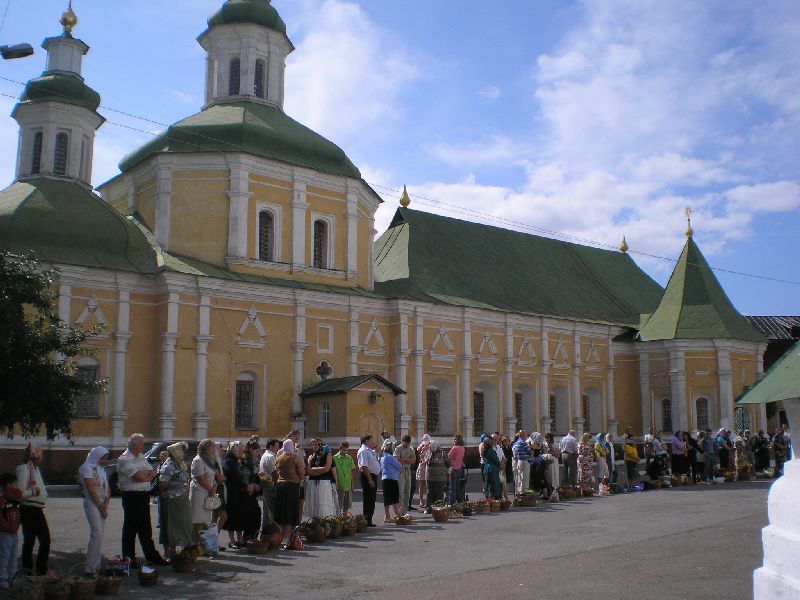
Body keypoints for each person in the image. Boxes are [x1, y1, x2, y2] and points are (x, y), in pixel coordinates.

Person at [117, 434, 168, 567]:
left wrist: (146, 477)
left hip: (143, 495)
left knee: (145, 528)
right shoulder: (124, 459)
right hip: (131, 496)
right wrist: (145, 476)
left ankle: (152, 557)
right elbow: (139, 477)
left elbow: (153, 472)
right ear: (134, 445)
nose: (143, 446)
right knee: (131, 528)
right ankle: (129, 559)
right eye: (141, 443)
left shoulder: (140, 457)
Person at [16, 443, 50, 575]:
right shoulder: (24, 468)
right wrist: (33, 492)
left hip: (35, 508)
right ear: (33, 454)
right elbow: (19, 493)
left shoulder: (35, 469)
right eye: (39, 453)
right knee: (44, 540)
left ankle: (29, 571)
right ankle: (39, 571)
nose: (41, 455)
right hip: (29, 509)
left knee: (30, 541)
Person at [158, 442, 194, 558]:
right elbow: (162, 484)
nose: (184, 454)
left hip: (182, 499)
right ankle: (170, 552)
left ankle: (183, 550)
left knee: (183, 524)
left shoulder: (180, 464)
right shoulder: (169, 464)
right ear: (176, 452)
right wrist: (172, 489)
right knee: (171, 525)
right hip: (171, 501)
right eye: (182, 451)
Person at [79, 446, 110, 575]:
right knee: (96, 533)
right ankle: (89, 567)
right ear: (96, 456)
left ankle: (96, 565)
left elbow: (107, 488)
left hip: (102, 503)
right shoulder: (86, 468)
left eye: (105, 458)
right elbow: (91, 489)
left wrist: (106, 504)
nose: (104, 460)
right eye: (102, 458)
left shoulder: (101, 469)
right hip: (92, 502)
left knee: (100, 535)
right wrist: (101, 507)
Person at [274, 439, 305, 545]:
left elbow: (276, 471)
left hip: (280, 486)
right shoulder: (295, 458)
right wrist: (301, 478)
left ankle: (280, 537)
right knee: (290, 511)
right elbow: (301, 472)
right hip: (292, 486)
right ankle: (287, 537)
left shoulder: (278, 458)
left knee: (281, 511)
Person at [190, 439, 218, 545]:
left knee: (203, 521)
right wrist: (211, 489)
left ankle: (202, 545)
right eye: (211, 448)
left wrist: (214, 486)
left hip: (207, 492)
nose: (213, 450)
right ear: (206, 448)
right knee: (198, 521)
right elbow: (201, 478)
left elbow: (212, 475)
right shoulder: (198, 460)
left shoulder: (208, 460)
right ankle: (196, 545)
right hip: (199, 493)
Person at [0, 473, 22, 589]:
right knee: (5, 556)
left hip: (14, 531)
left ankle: (12, 577)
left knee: (13, 556)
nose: (16, 486)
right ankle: (2, 578)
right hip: (5, 532)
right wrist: (7, 526)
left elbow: (19, 493)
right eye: (14, 484)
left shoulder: (14, 497)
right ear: (8, 485)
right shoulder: (2, 499)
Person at [305, 438, 338, 518]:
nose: (314, 446)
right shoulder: (311, 456)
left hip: (324, 482)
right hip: (313, 482)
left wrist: (314, 470)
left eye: (316, 444)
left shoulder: (327, 455)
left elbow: (327, 468)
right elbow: (308, 471)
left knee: (323, 502)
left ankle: (324, 521)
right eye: (312, 445)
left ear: (320, 445)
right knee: (314, 503)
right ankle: (315, 521)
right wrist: (316, 470)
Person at [222, 441, 246, 549]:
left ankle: (240, 539)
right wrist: (244, 485)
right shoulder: (229, 461)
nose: (242, 451)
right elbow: (235, 477)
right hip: (232, 493)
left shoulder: (235, 460)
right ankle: (232, 541)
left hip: (238, 493)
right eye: (239, 450)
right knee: (231, 517)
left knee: (238, 517)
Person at [240, 441, 262, 542]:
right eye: (256, 451)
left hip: (251, 491)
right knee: (252, 515)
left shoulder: (252, 460)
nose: (258, 453)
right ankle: (249, 537)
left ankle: (251, 536)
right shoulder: (245, 460)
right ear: (251, 450)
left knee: (255, 513)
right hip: (247, 491)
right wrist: (252, 485)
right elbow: (245, 475)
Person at [357, 434, 380, 527]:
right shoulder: (363, 451)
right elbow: (364, 466)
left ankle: (369, 519)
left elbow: (377, 456)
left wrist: (376, 448)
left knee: (372, 498)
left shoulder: (370, 450)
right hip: (367, 476)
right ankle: (366, 520)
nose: (373, 442)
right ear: (366, 441)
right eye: (371, 441)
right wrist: (370, 479)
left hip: (373, 475)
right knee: (368, 499)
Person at [258, 438, 280, 532]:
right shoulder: (270, 457)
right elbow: (275, 473)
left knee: (266, 512)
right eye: (277, 446)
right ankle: (274, 533)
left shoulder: (265, 455)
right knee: (272, 511)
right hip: (271, 486)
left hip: (266, 485)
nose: (278, 448)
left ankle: (265, 532)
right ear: (271, 446)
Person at [380, 441, 404, 522]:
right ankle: (398, 515)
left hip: (384, 479)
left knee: (386, 498)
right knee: (395, 498)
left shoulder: (382, 457)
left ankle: (387, 516)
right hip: (392, 479)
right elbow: (399, 466)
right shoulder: (390, 457)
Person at [333, 441, 357, 516]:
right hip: (339, 484)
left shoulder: (349, 458)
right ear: (340, 449)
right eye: (343, 450)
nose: (345, 452)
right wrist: (336, 483)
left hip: (347, 484)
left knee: (347, 503)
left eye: (346, 450)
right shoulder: (335, 458)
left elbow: (351, 471)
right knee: (338, 503)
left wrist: (352, 483)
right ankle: (337, 518)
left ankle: (344, 517)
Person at [424, 440, 449, 512]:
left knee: (439, 493)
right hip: (429, 477)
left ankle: (439, 509)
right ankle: (428, 508)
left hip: (440, 477)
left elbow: (449, 463)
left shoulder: (442, 453)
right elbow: (425, 461)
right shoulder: (428, 453)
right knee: (429, 493)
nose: (430, 447)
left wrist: (448, 471)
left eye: (431, 446)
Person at [394, 436, 416, 511]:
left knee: (407, 490)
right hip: (400, 471)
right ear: (402, 441)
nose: (407, 445)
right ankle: (399, 510)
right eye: (405, 443)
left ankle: (405, 510)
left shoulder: (411, 449)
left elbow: (413, 461)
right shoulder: (398, 448)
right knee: (400, 490)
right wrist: (408, 459)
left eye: (408, 443)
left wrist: (403, 459)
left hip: (408, 470)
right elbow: (397, 459)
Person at [447, 434, 466, 504]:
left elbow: (448, 457)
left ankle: (451, 504)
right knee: (457, 487)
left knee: (452, 488)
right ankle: (460, 502)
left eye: (455, 439)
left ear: (458, 440)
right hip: (459, 469)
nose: (453, 440)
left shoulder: (455, 448)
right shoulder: (463, 448)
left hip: (453, 469)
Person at [482, 435, 502, 500]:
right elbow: (496, 460)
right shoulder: (491, 450)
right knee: (494, 485)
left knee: (487, 484)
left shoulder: (484, 449)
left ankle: (488, 498)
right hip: (492, 469)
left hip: (486, 468)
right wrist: (499, 465)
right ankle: (495, 498)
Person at [416, 434, 432, 510]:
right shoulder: (422, 445)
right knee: (421, 484)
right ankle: (421, 500)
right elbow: (418, 450)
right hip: (422, 466)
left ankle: (428, 500)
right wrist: (422, 446)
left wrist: (428, 447)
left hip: (428, 466)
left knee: (428, 484)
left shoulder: (431, 446)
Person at [500, 436, 513, 501]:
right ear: (502, 442)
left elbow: (511, 455)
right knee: (504, 482)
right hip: (504, 466)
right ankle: (506, 497)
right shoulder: (502, 448)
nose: (506, 442)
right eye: (505, 441)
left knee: (506, 483)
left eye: (507, 441)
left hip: (509, 466)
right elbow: (502, 457)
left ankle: (506, 497)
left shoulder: (509, 448)